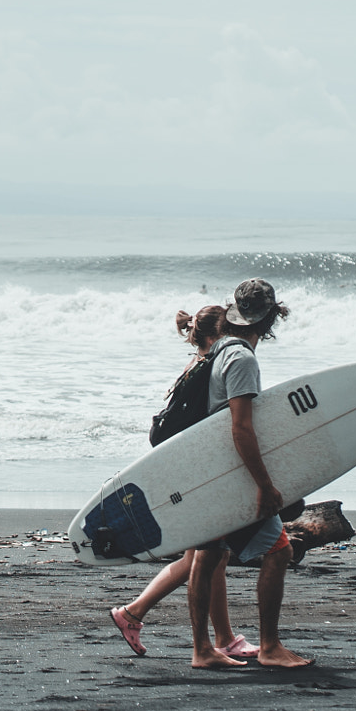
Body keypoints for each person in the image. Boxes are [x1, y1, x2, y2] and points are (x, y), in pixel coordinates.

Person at [109, 279, 312, 669]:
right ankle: (267, 648)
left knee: (208, 555)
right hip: (230, 473)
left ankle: (207, 647)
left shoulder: (219, 351)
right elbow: (240, 427)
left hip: (213, 471)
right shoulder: (243, 360)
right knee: (277, 550)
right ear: (271, 318)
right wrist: (265, 485)